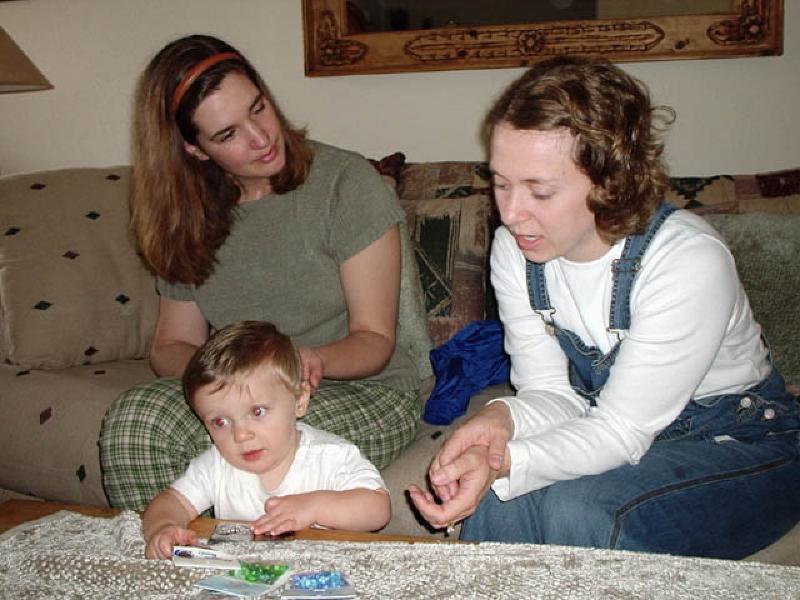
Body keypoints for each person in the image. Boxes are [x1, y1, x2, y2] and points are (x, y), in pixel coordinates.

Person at [408, 56, 800, 559]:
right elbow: (553, 393)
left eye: (540, 190)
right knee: (503, 504)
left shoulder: (685, 261)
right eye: (501, 183)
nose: (510, 213)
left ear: (610, 181)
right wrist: (500, 421)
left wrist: (507, 459)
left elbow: (620, 430)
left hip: (741, 440)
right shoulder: (515, 250)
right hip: (619, 428)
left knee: (584, 509)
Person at [100, 34, 426, 511]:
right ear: (193, 149)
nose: (261, 137)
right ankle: (174, 571)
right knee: (136, 423)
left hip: (362, 390)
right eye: (228, 134)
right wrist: (232, 387)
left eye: (258, 108)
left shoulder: (345, 183)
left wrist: (302, 363)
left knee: (263, 443)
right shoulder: (187, 218)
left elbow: (375, 341)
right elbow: (171, 346)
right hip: (246, 398)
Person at [143, 321, 390, 559]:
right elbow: (171, 502)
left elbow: (378, 508)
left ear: (300, 400)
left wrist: (313, 506)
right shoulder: (217, 465)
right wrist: (163, 528)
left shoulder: (330, 456)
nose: (241, 435)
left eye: (257, 412)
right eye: (220, 422)